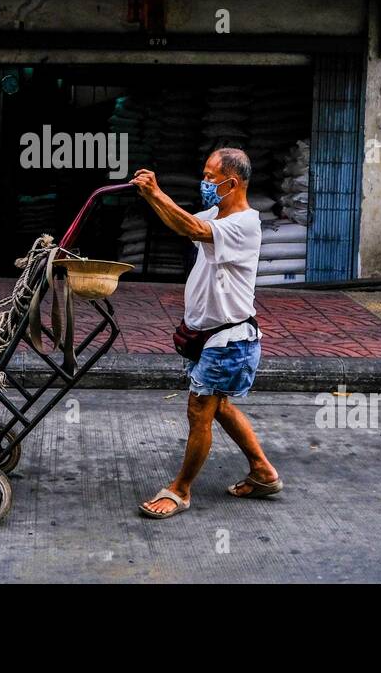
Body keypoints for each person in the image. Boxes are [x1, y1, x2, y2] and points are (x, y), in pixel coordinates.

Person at [131, 148, 282, 519]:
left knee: (200, 409)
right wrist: (153, 197)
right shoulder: (215, 214)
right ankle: (263, 472)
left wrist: (155, 193)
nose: (205, 183)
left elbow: (193, 228)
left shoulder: (245, 224)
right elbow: (181, 222)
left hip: (229, 339)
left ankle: (180, 490)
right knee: (220, 407)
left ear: (231, 183)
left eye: (210, 177)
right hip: (209, 337)